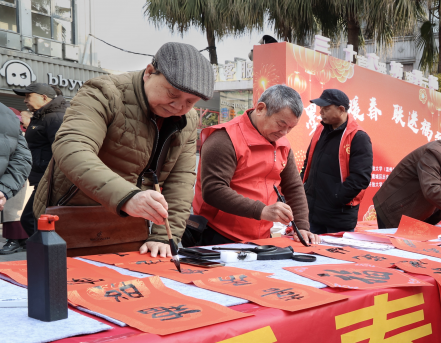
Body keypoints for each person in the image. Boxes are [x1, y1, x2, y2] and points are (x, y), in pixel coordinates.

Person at [32, 42, 213, 257]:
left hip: (131, 225)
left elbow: (180, 180)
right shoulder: (104, 92)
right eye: (172, 94)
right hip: (72, 216)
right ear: (149, 72)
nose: (178, 107)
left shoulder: (187, 120)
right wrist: (128, 197)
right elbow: (72, 147)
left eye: (190, 102)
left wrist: (164, 236)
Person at [192, 84, 319, 245]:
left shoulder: (282, 144)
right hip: (218, 234)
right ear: (260, 109)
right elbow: (214, 189)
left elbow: (293, 186)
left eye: (290, 128)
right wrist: (262, 210)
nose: (284, 133)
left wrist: (301, 226)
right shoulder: (224, 139)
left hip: (260, 237)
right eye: (280, 125)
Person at [3, 83, 69, 255]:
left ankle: (48, 257)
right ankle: (48, 256)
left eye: (28, 96)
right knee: (33, 219)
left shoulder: (56, 118)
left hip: (50, 179)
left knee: (31, 219)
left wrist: (55, 179)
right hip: (41, 178)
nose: (25, 101)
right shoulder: (42, 116)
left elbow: (63, 151)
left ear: (44, 97)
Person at [301, 89, 373, 233]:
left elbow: (360, 178)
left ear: (341, 109)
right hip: (312, 214)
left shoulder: (358, 137)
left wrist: (335, 199)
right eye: (320, 108)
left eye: (326, 108)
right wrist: (304, 189)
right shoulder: (320, 130)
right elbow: (308, 163)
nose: (321, 112)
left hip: (338, 217)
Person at [0, 97, 32, 255]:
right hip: (0, 192)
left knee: (16, 211)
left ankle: (17, 240)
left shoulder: (8, 115)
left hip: (19, 181)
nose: (26, 100)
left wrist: (3, 189)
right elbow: (22, 158)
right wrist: (2, 190)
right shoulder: (6, 113)